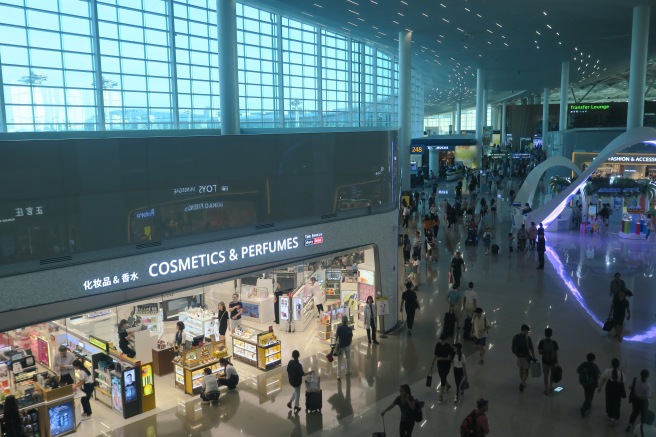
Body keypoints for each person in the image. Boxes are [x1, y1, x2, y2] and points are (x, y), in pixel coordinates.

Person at [598, 358, 626, 425]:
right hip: (617, 390)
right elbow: (622, 383)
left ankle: (610, 415)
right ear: (618, 365)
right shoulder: (621, 374)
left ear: (611, 364)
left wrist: (600, 387)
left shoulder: (607, 371)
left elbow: (603, 379)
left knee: (609, 401)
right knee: (617, 402)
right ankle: (615, 416)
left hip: (609, 389)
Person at [286, 350, 313, 414]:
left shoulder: (290, 362)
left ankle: (290, 402)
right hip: (297, 382)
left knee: (295, 391)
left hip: (291, 380)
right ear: (298, 356)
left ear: (292, 355)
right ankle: (296, 406)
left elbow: (287, 370)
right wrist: (309, 373)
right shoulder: (299, 365)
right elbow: (303, 374)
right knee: (297, 393)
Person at [511, 324, 536, 392]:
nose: (527, 332)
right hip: (526, 357)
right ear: (525, 330)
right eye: (527, 331)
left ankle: (522, 381)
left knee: (521, 369)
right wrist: (533, 357)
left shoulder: (515, 337)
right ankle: (523, 382)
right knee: (526, 370)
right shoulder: (528, 338)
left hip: (519, 357)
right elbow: (531, 348)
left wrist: (517, 354)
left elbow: (512, 349)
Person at [431, 333, 454, 404]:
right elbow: (436, 354)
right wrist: (433, 362)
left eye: (443, 340)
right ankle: (448, 385)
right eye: (441, 340)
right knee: (441, 375)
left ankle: (440, 396)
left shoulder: (448, 347)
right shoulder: (438, 345)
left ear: (445, 340)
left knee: (443, 378)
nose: (442, 341)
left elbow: (449, 358)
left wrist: (441, 358)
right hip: (439, 364)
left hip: (446, 365)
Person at [577, 352, 602, 417]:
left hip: (584, 383)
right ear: (593, 359)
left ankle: (587, 404)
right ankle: (584, 407)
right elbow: (599, 375)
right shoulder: (594, 366)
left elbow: (578, 371)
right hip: (592, 384)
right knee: (590, 396)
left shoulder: (583, 364)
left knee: (586, 393)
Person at [537, 328, 559, 395]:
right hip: (552, 362)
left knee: (546, 376)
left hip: (545, 362)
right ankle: (550, 387)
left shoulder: (541, 342)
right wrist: (558, 363)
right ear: (551, 334)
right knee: (552, 375)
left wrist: (544, 352)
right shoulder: (554, 342)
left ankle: (546, 390)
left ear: (545, 334)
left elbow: (539, 352)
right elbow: (556, 354)